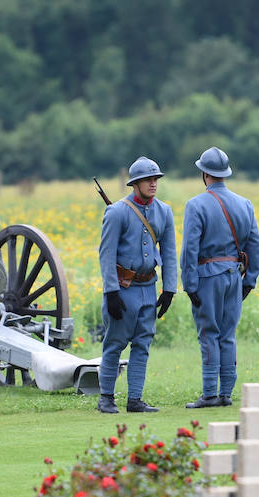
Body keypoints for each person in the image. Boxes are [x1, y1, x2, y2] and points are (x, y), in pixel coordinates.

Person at [181, 147, 259, 408]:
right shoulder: (245, 204)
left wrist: (189, 284)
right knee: (228, 335)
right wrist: (249, 280)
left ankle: (209, 393)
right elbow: (254, 245)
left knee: (208, 334)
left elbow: (190, 249)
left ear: (204, 174)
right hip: (234, 277)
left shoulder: (195, 205)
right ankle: (226, 393)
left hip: (207, 277)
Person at [97, 156, 177, 414]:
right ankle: (106, 398)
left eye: (156, 179)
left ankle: (135, 400)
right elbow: (106, 254)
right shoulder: (116, 212)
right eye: (148, 179)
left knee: (143, 343)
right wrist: (111, 291)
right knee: (114, 343)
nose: (153, 183)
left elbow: (169, 252)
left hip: (148, 287)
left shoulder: (164, 212)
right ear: (135, 183)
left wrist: (169, 289)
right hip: (122, 289)